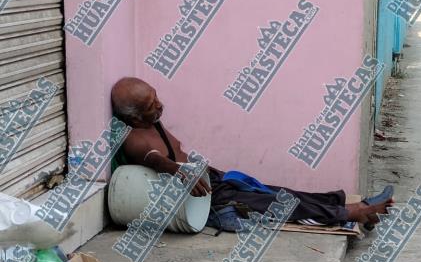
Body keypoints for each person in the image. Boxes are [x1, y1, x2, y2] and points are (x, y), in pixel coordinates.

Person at [109, 77, 393, 228]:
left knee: (279, 193)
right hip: (205, 202)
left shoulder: (151, 122)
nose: (159, 106)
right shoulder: (136, 139)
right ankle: (352, 212)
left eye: (156, 97)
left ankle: (346, 204)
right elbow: (156, 161)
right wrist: (180, 171)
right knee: (280, 205)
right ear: (134, 118)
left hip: (212, 182)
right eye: (150, 105)